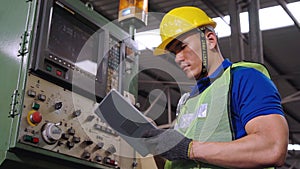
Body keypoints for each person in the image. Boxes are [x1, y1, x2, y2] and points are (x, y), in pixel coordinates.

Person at [142, 6, 289, 169]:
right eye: (173, 53)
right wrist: (156, 144)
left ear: (210, 39)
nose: (178, 58)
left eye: (182, 47)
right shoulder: (189, 101)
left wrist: (189, 149)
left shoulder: (244, 78)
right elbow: (182, 161)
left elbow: (272, 148)